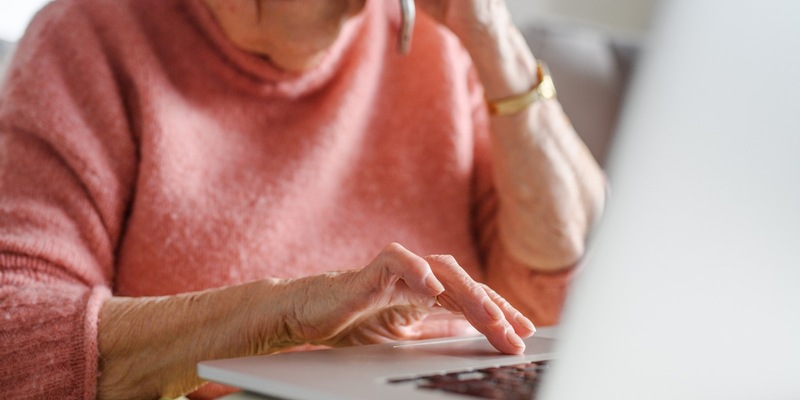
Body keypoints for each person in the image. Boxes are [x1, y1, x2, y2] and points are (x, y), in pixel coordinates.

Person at [0, 0, 607, 398]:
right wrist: (282, 318)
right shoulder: (89, 38)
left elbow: (546, 295)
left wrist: (493, 39)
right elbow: (20, 339)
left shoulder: (437, 43)